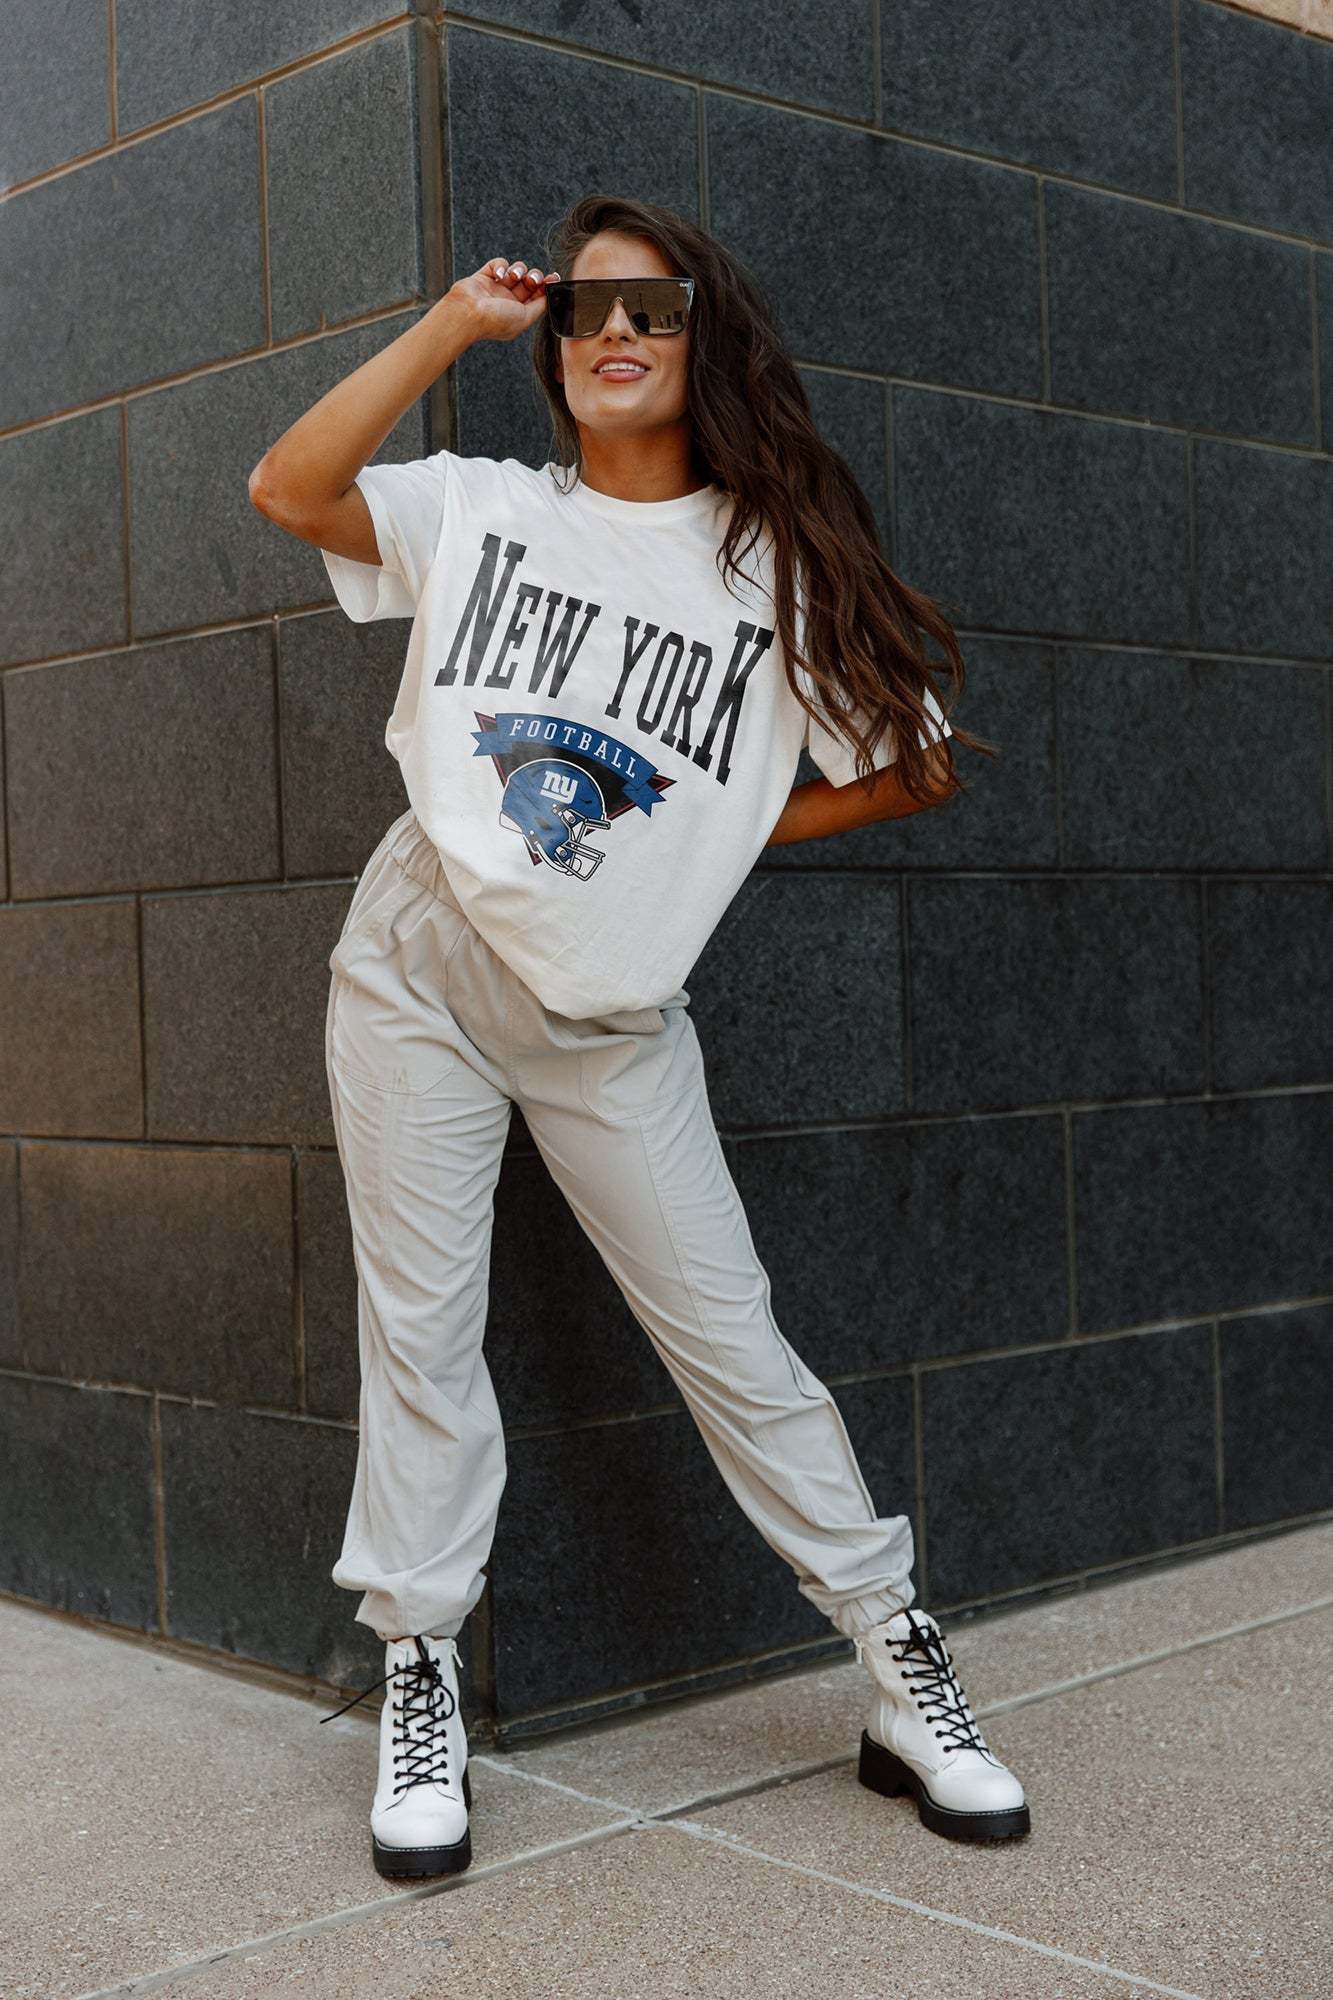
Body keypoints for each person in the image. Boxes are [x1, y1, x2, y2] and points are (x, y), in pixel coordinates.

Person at [248, 194, 1030, 1880]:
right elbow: (288, 489)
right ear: (550, 349)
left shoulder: (766, 560)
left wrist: (709, 836)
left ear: (700, 338)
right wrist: (451, 323)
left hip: (609, 1010)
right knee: (420, 1334)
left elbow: (916, 762)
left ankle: (898, 1660)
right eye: (583, 311)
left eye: (651, 308)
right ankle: (419, 1670)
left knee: (731, 1340)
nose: (614, 332)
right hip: (417, 961)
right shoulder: (483, 507)